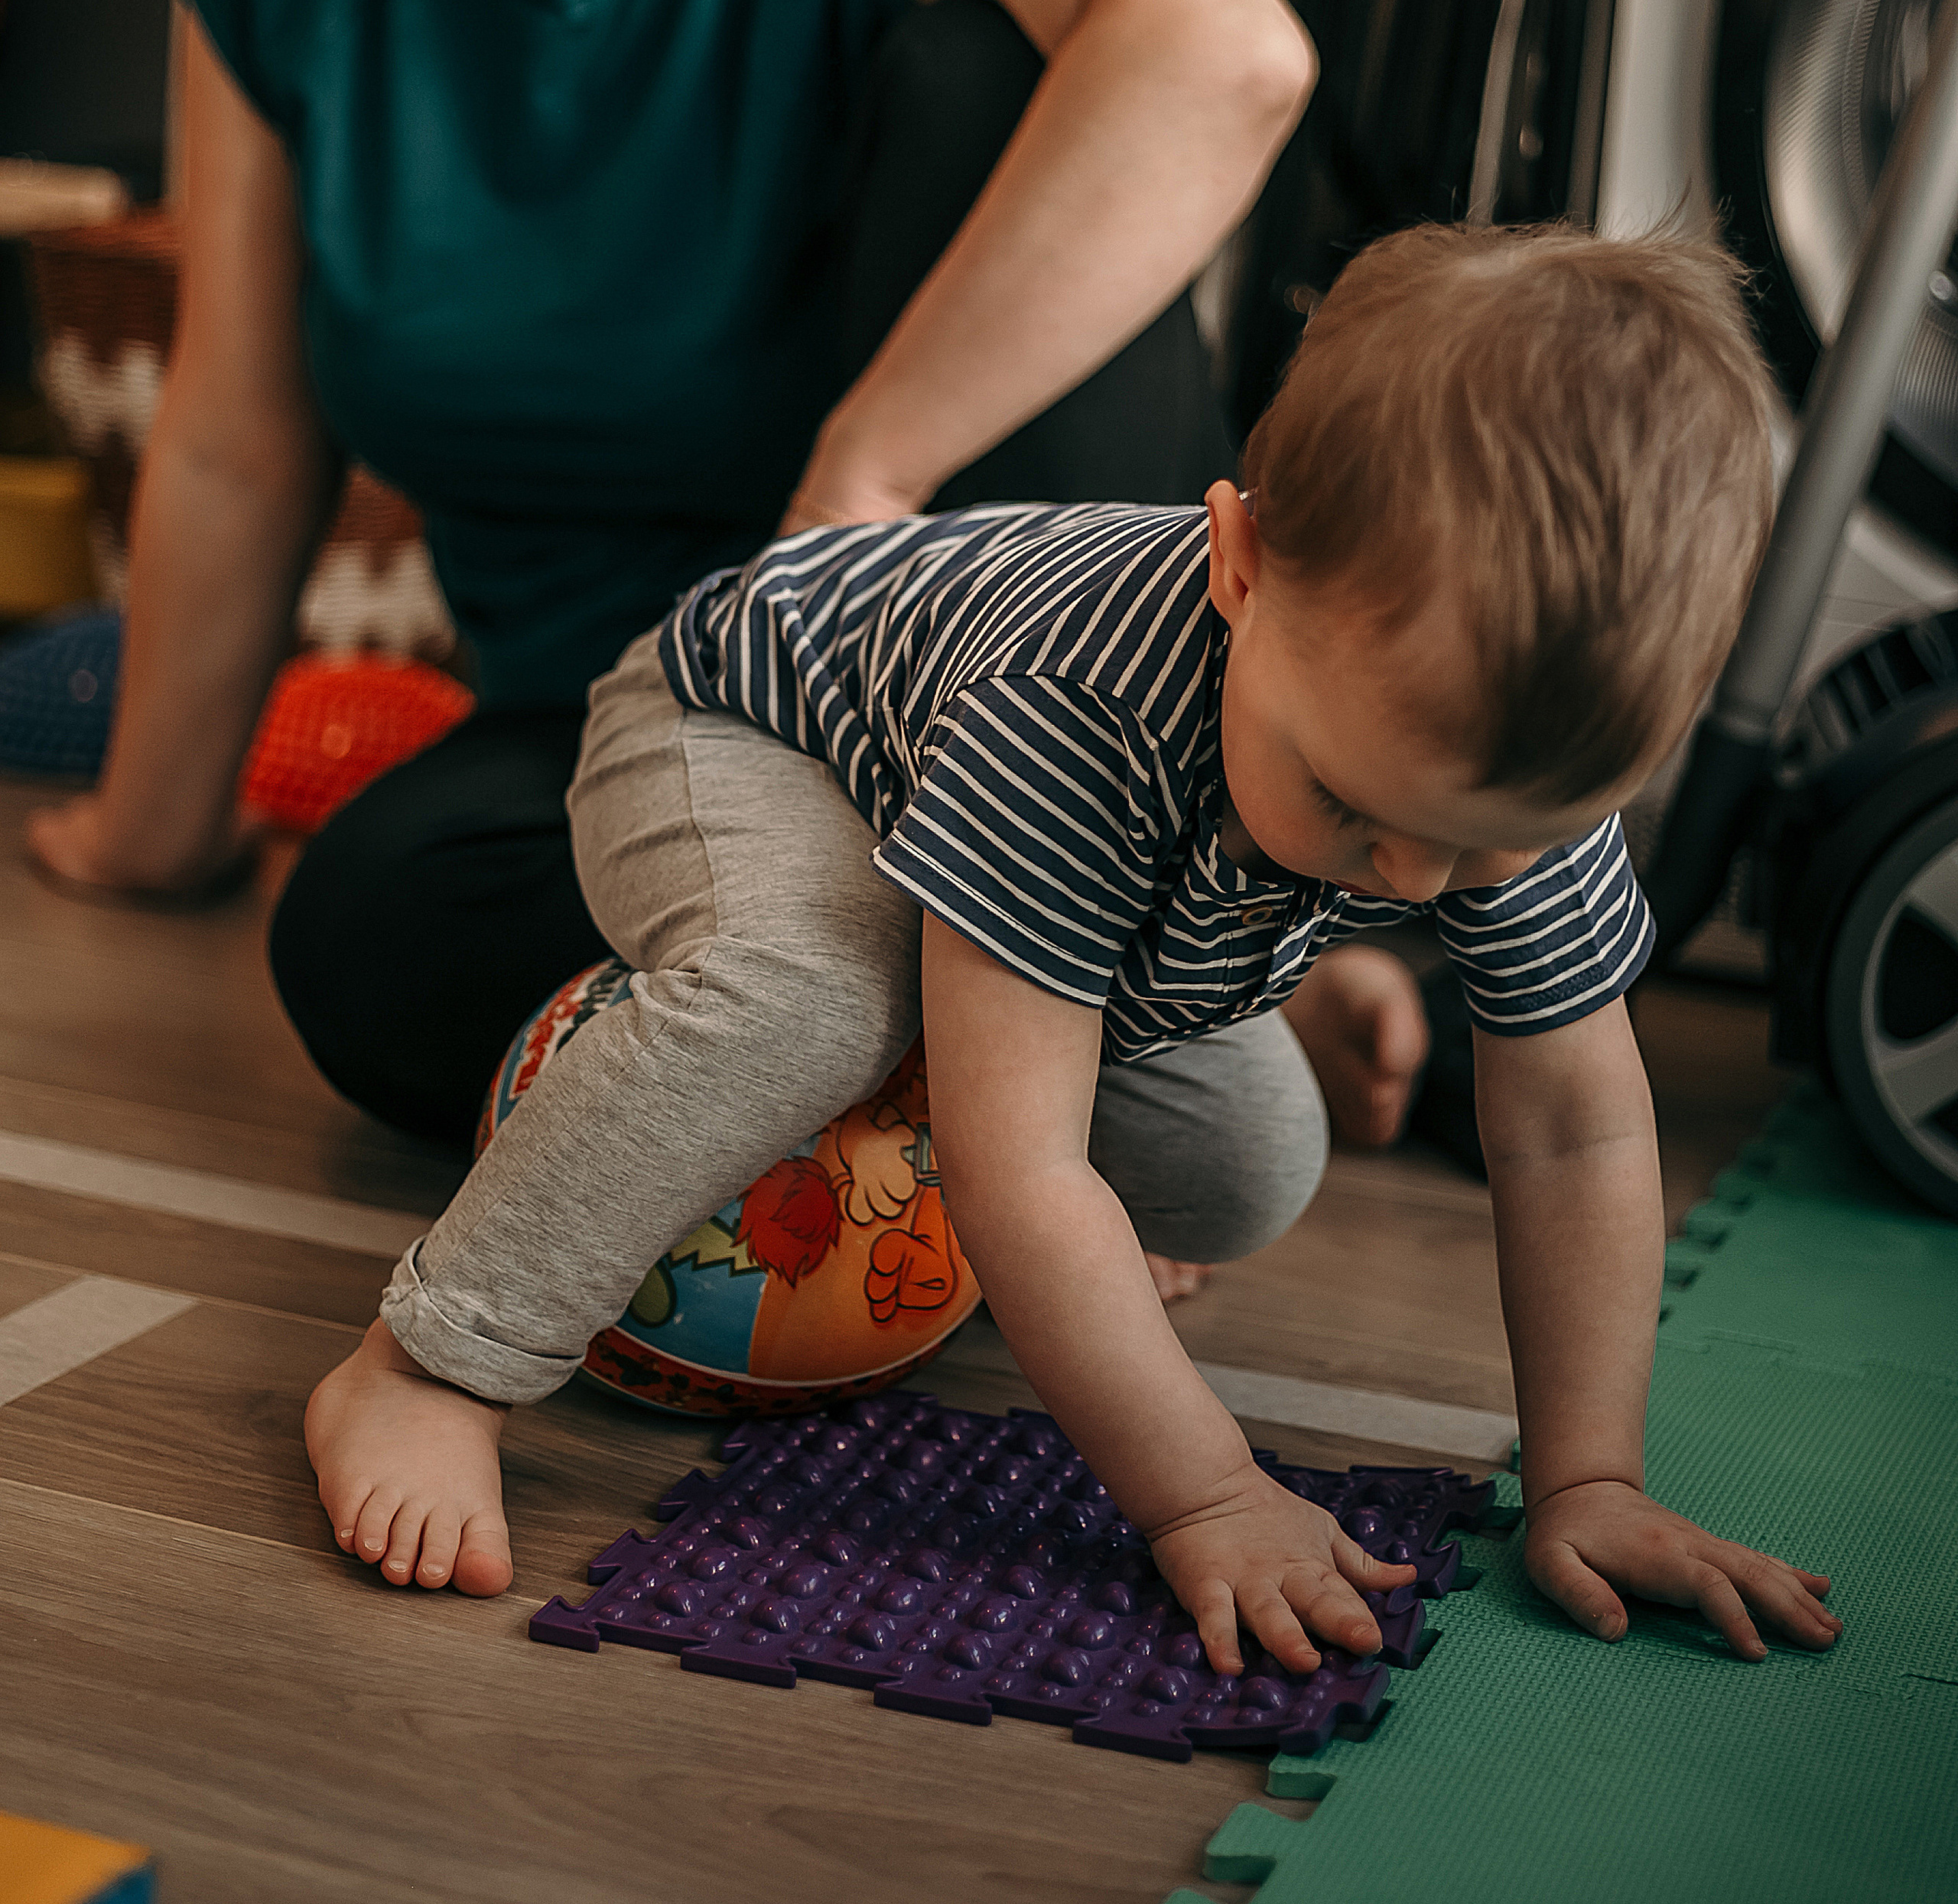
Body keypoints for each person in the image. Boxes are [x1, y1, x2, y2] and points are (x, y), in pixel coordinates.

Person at [24, 0, 1420, 1167]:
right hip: (636, 735)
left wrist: (859, 479)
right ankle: (1076, 1026)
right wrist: (151, 827)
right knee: (362, 937)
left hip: (1000, 715)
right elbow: (243, 440)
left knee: (1010, 57)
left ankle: (1107, 938)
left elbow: (1225, 49)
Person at [304, 223, 1842, 1678]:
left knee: (1247, 1166)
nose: (1421, 877)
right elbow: (1011, 1167)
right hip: (753, 728)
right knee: (818, 995)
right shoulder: (1077, 714)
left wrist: (1588, 1475)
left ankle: (1115, 983)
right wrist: (1206, 1494)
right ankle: (431, 1364)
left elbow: (1574, 1129)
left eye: (1481, 844)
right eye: (1354, 809)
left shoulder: (1505, 755)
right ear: (1238, 564)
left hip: (1056, 846)